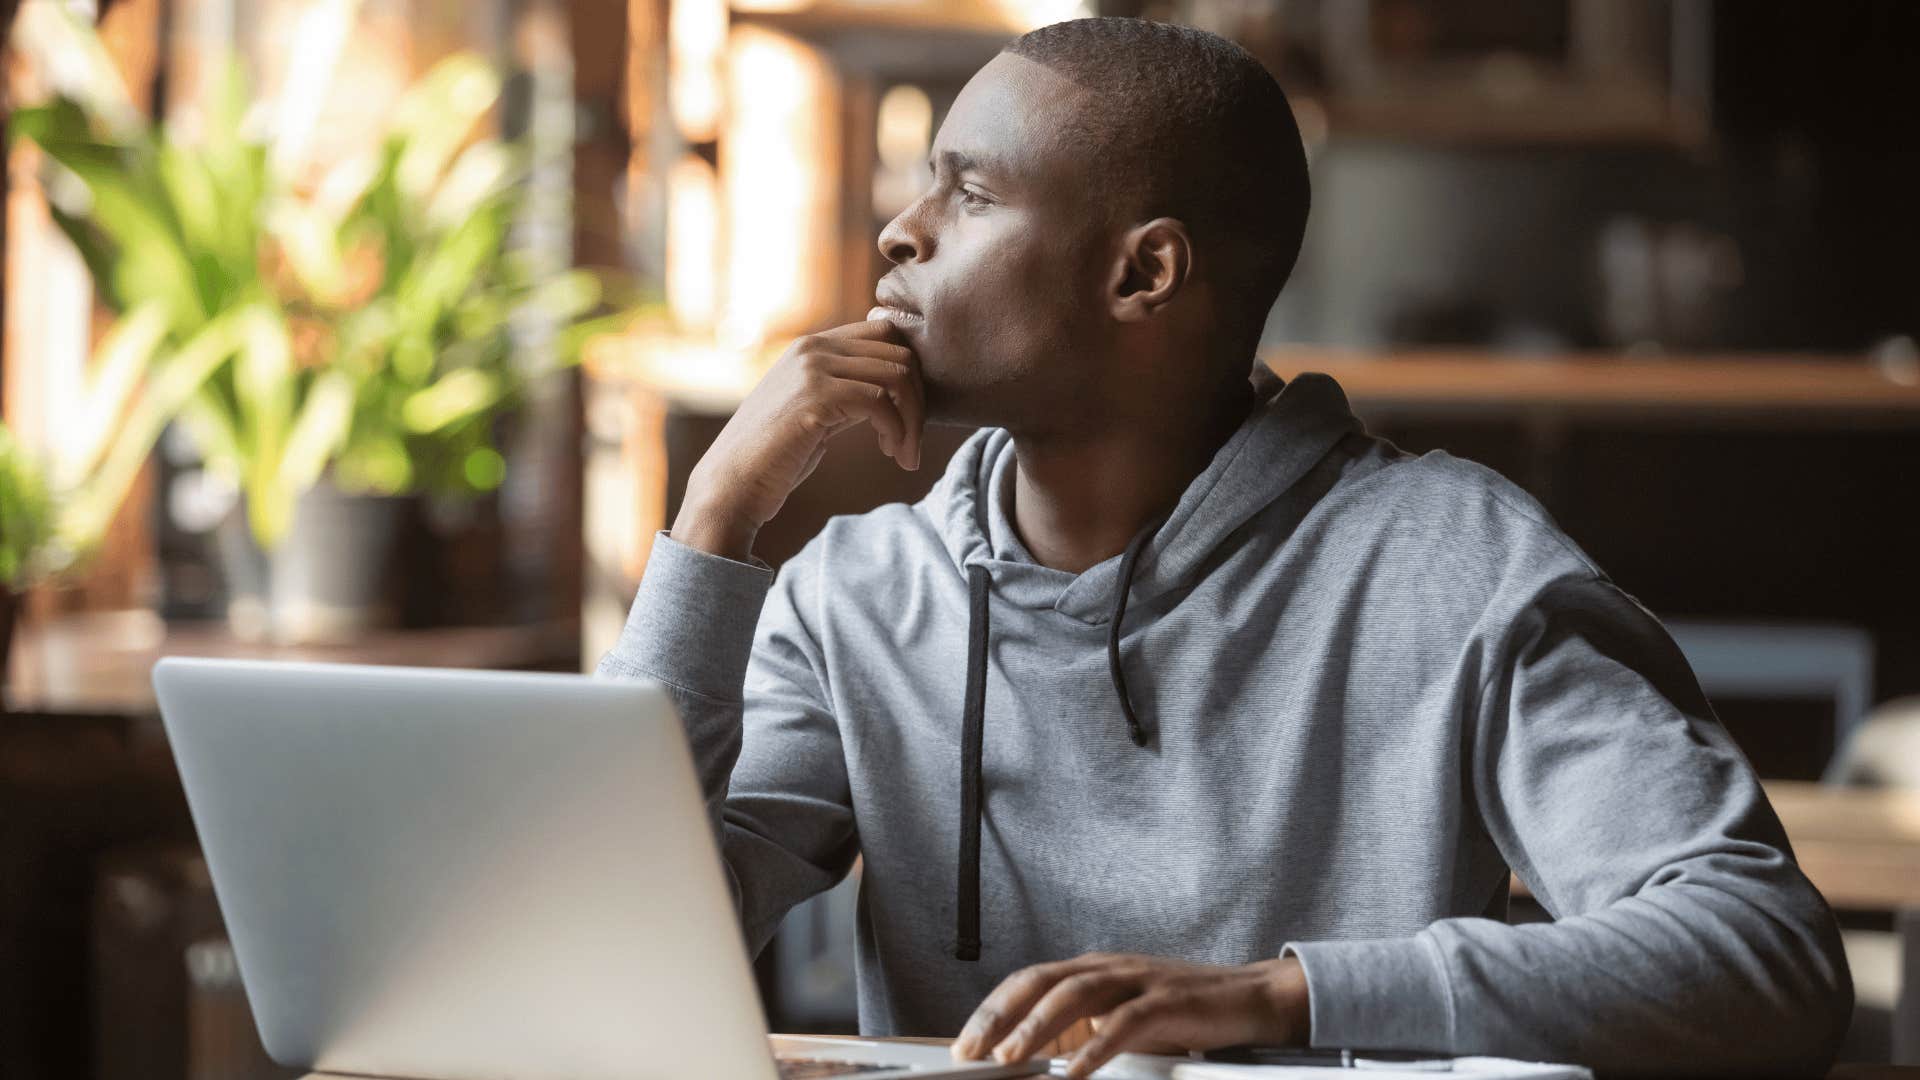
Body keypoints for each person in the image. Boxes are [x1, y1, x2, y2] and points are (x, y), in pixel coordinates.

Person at [597, 17, 1851, 1078]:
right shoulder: (856, 598)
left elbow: (1763, 950)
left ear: (1146, 274)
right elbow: (605, 939)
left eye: (969, 193)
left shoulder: (1452, 566)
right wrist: (714, 518)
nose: (901, 232)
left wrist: (1282, 998)